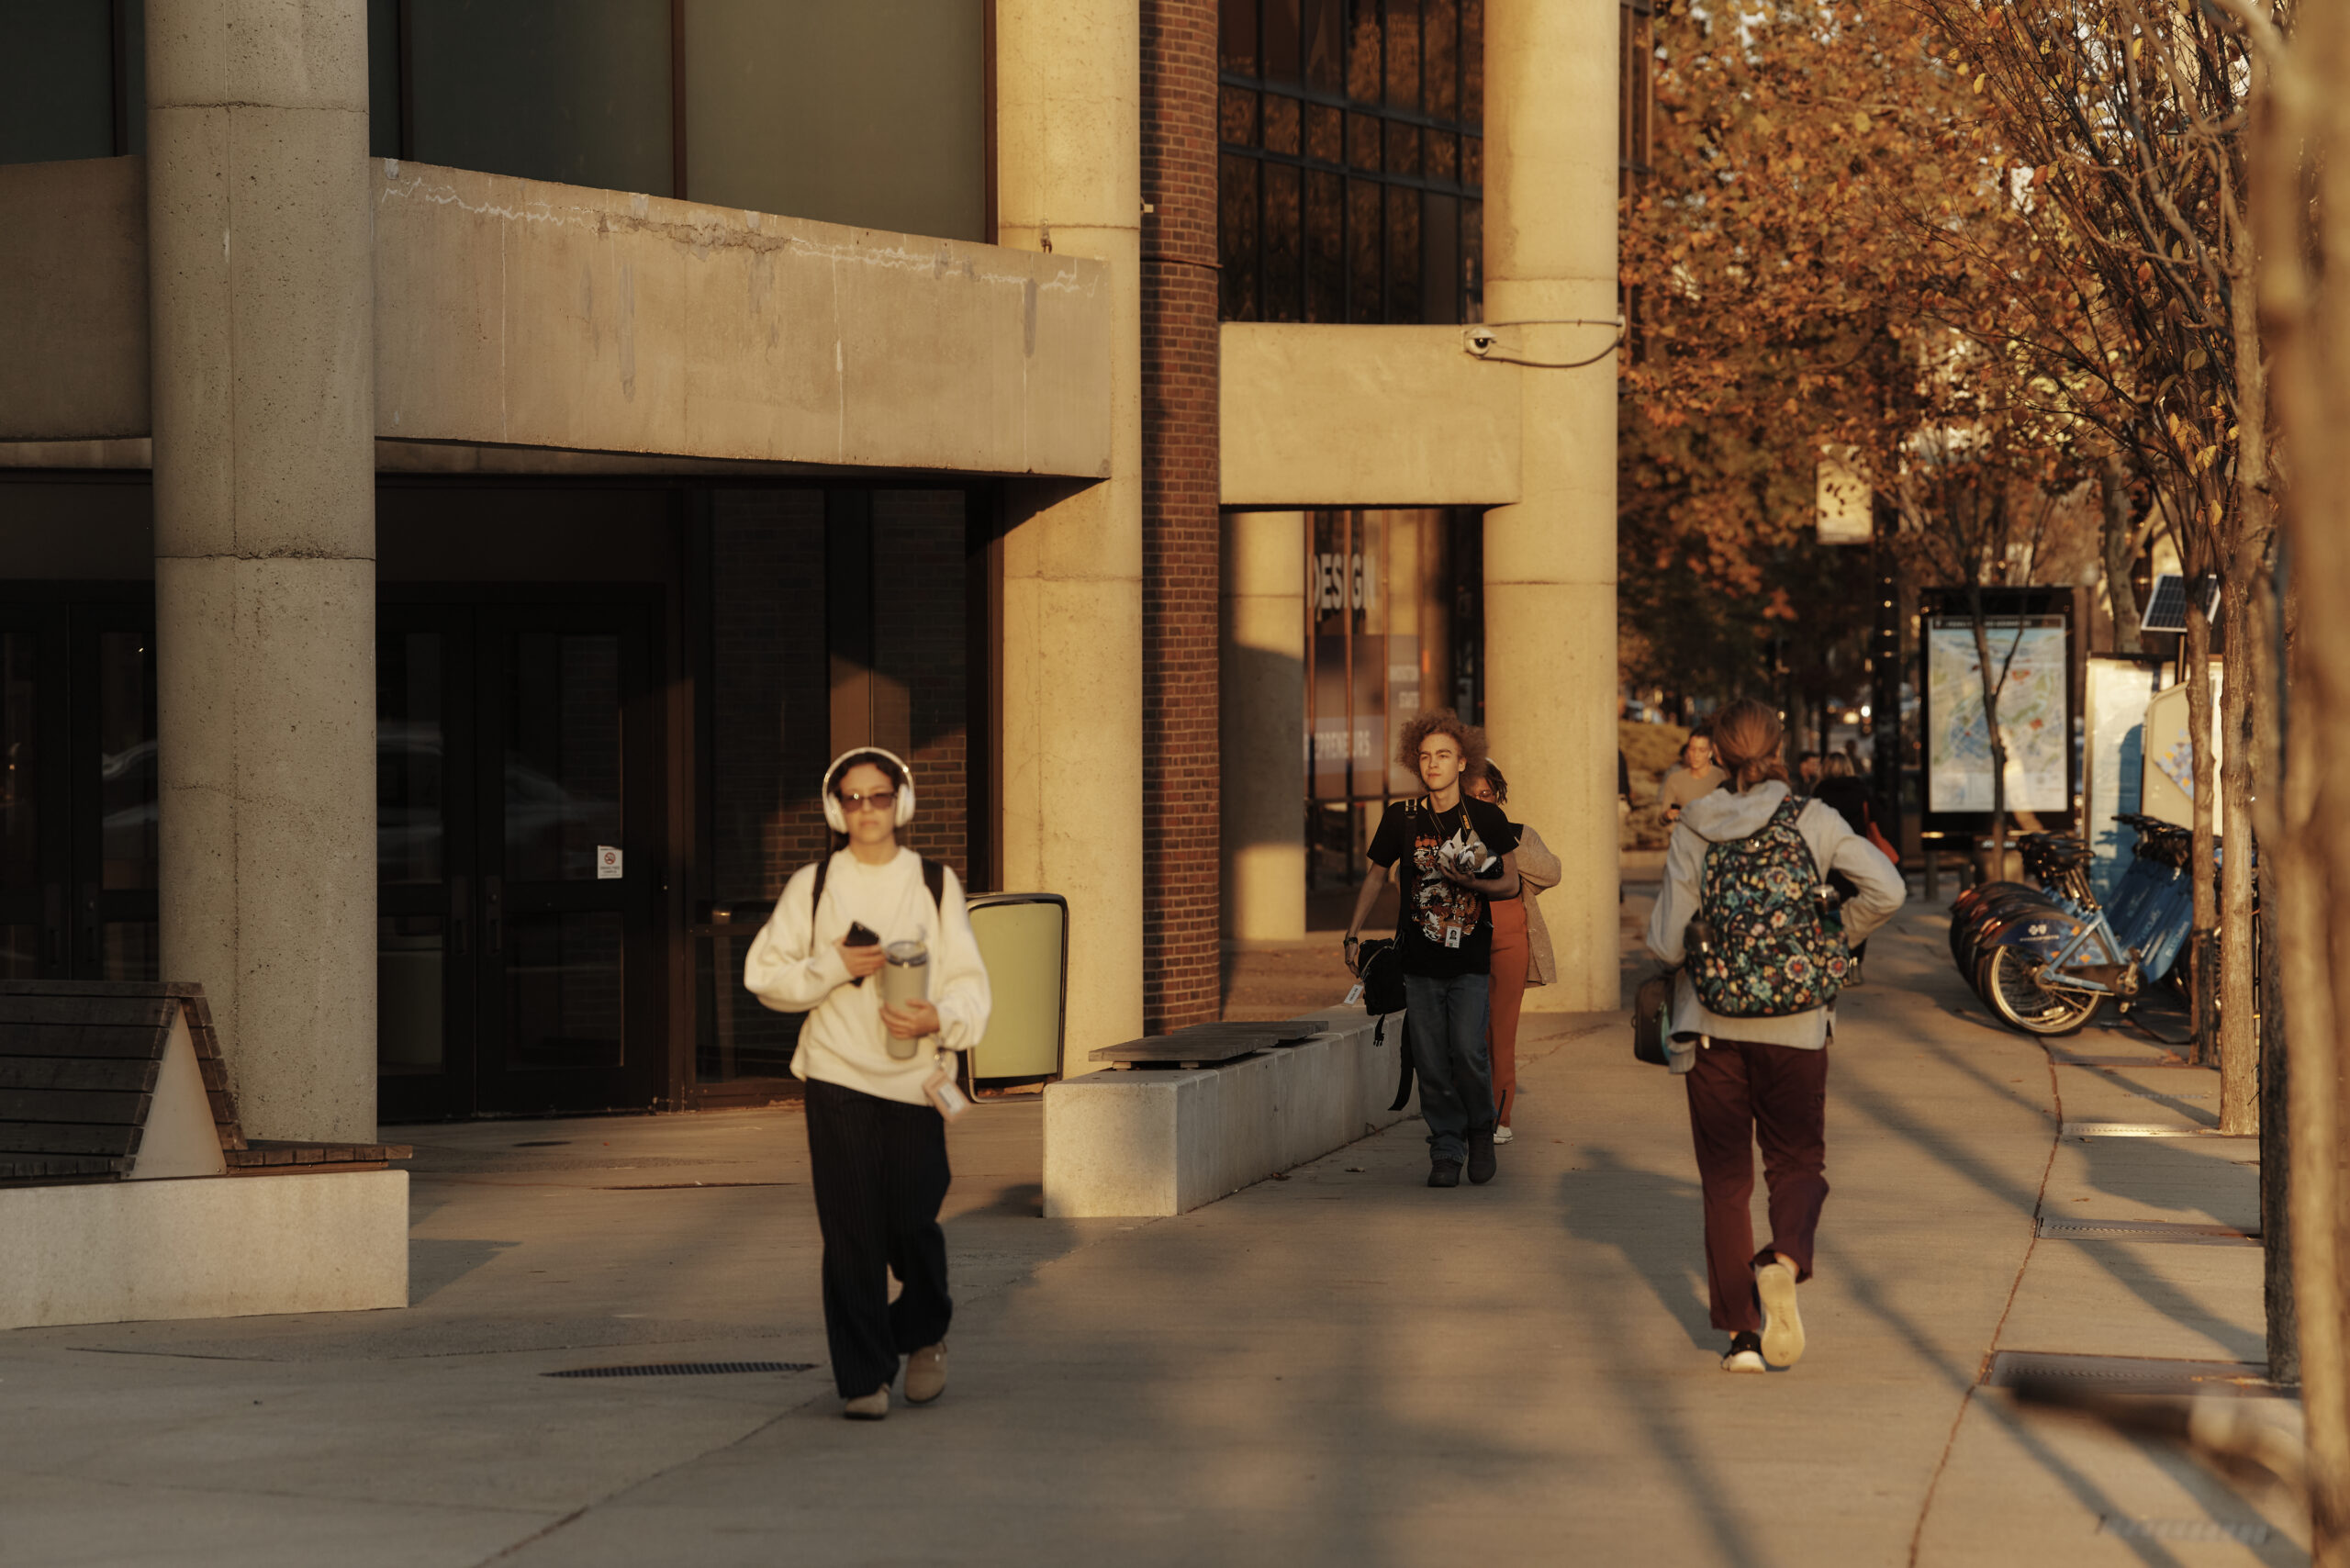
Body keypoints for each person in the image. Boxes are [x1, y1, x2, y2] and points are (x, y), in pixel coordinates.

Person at [1643, 700, 1903, 1373]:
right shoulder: (1813, 820)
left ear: (1719, 755)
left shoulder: (1696, 824)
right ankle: (1784, 1257)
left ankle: (1742, 1338)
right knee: (1796, 1162)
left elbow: (1666, 941)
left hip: (1711, 1025)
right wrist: (1830, 939)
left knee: (1725, 1182)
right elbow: (1888, 889)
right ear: (1780, 746)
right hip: (1796, 1025)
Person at [744, 748, 992, 1421]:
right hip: (837, 1076)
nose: (867, 811)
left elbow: (970, 981)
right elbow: (762, 974)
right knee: (851, 1232)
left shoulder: (935, 884)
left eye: (879, 797)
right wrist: (832, 965)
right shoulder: (815, 884)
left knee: (912, 1223)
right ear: (835, 810)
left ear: (901, 803)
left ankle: (924, 1332)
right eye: (853, 800)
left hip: (915, 1081)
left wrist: (942, 1016)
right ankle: (863, 1377)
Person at [1343, 711, 1521, 1189]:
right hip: (1418, 960)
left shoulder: (1485, 816)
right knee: (1430, 1057)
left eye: (1443, 755)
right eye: (1425, 756)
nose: (1433, 764)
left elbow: (1511, 881)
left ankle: (1480, 1128)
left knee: (1466, 1050)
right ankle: (1445, 1145)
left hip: (1468, 958)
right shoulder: (1401, 816)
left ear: (1463, 762)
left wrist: (1473, 881)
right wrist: (1353, 931)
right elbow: (1377, 874)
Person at [1466, 760, 1559, 1143]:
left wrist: (1503, 843)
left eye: (1486, 794)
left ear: (1498, 795)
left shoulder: (1519, 834)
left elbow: (1551, 872)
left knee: (1501, 1035)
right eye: (1470, 796)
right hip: (1462, 944)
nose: (1479, 802)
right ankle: (1466, 1114)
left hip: (1511, 941)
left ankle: (1500, 1120)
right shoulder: (1445, 834)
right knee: (1465, 1036)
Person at [1811, 752, 1879, 981]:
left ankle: (1835, 962)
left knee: (1831, 910)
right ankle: (1855, 964)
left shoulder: (1819, 794)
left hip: (1829, 861)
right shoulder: (1861, 791)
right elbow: (1878, 820)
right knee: (1857, 910)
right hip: (1857, 859)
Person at [1656, 730, 1727, 826]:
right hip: (1684, 838)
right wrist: (1668, 815)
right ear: (1687, 750)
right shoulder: (1675, 779)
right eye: (1692, 749)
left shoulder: (1721, 777)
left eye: (1702, 750)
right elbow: (1662, 819)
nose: (1696, 755)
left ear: (1710, 752)